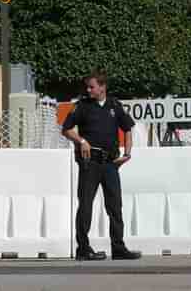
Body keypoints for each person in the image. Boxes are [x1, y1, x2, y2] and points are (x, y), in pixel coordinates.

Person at [62, 70, 141, 261]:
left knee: (115, 205)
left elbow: (128, 128)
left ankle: (118, 247)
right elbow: (66, 129)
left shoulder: (114, 105)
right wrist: (81, 141)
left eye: (92, 86)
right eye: (87, 87)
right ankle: (83, 248)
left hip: (111, 163)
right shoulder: (82, 106)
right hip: (91, 162)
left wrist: (128, 153)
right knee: (86, 204)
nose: (88, 90)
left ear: (102, 87)